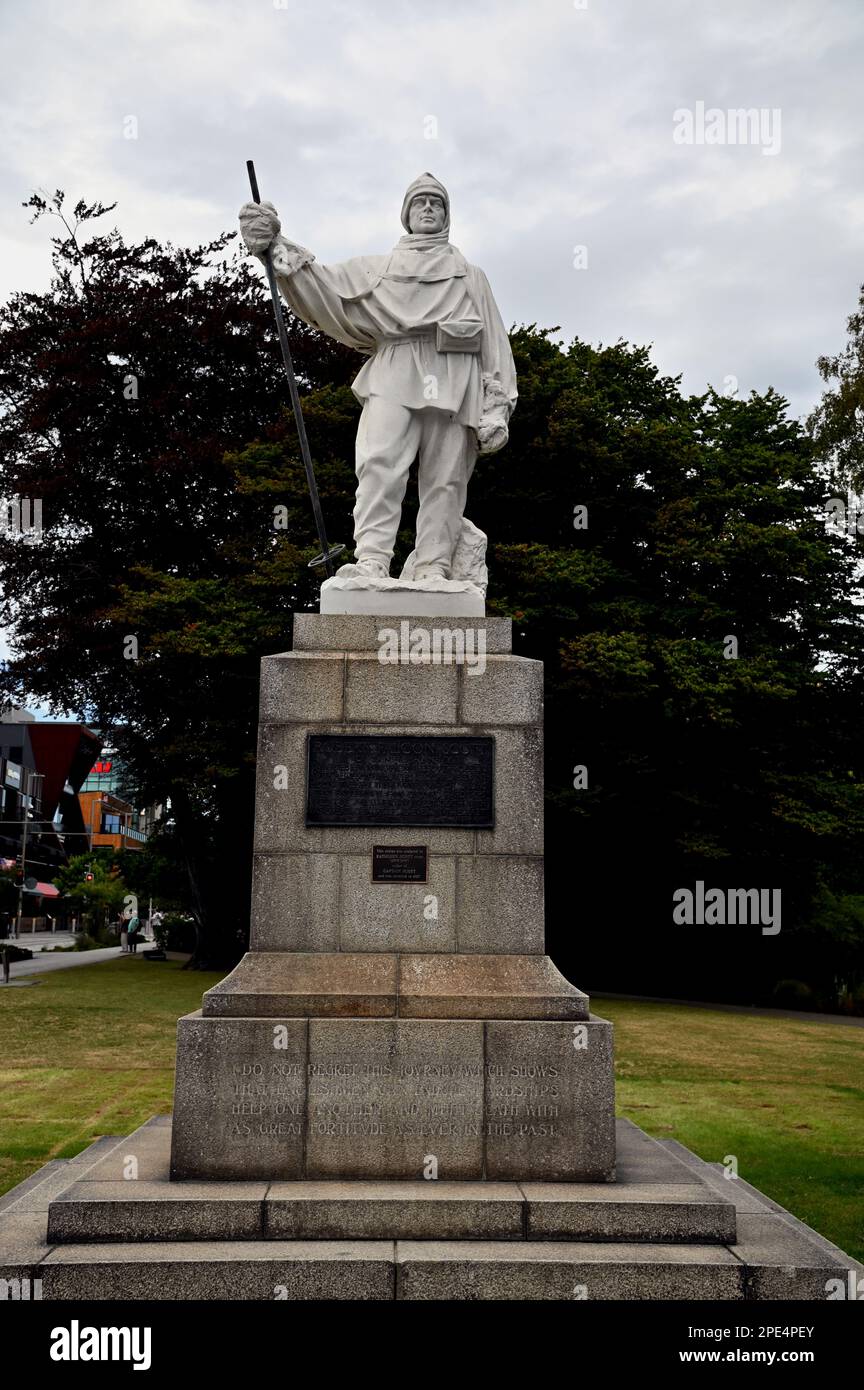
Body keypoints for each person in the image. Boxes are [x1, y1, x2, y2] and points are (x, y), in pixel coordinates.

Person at [238, 173, 517, 582]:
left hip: (456, 375)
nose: (427, 209)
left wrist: (498, 406)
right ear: (406, 214)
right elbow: (323, 286)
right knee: (378, 463)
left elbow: (494, 342)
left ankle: (434, 567)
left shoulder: (470, 276)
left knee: (446, 479)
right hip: (394, 369)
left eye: (436, 203)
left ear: (446, 215)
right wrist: (274, 244)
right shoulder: (379, 269)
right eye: (419, 202)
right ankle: (371, 560)